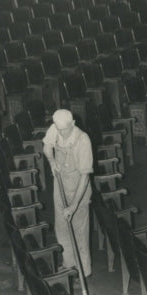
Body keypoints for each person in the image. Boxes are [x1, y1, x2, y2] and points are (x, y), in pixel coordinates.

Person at [42, 109, 93, 279]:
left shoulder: (82, 140)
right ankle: (68, 264)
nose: (62, 133)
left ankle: (84, 271)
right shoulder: (55, 128)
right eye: (59, 129)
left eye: (65, 129)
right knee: (62, 227)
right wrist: (51, 161)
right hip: (60, 183)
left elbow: (85, 176)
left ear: (73, 123)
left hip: (79, 188)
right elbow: (47, 147)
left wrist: (73, 205)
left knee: (79, 231)